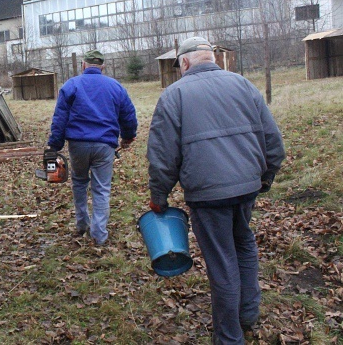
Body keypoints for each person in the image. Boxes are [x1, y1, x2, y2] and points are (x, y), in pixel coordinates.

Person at [146, 36, 285, 344]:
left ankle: (229, 336)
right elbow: (273, 140)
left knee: (222, 261)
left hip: (208, 193)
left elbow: (162, 155)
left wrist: (158, 195)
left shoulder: (174, 95)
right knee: (243, 244)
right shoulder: (244, 85)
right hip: (247, 185)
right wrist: (267, 175)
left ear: (184, 63)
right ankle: (248, 314)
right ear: (213, 58)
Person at [47, 49, 137, 246]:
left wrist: (55, 144)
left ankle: (81, 224)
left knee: (79, 182)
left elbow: (60, 117)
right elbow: (128, 115)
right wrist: (128, 137)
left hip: (78, 145)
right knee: (102, 189)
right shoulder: (115, 86)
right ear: (102, 66)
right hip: (105, 145)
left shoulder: (72, 85)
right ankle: (99, 235)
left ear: (83, 65)